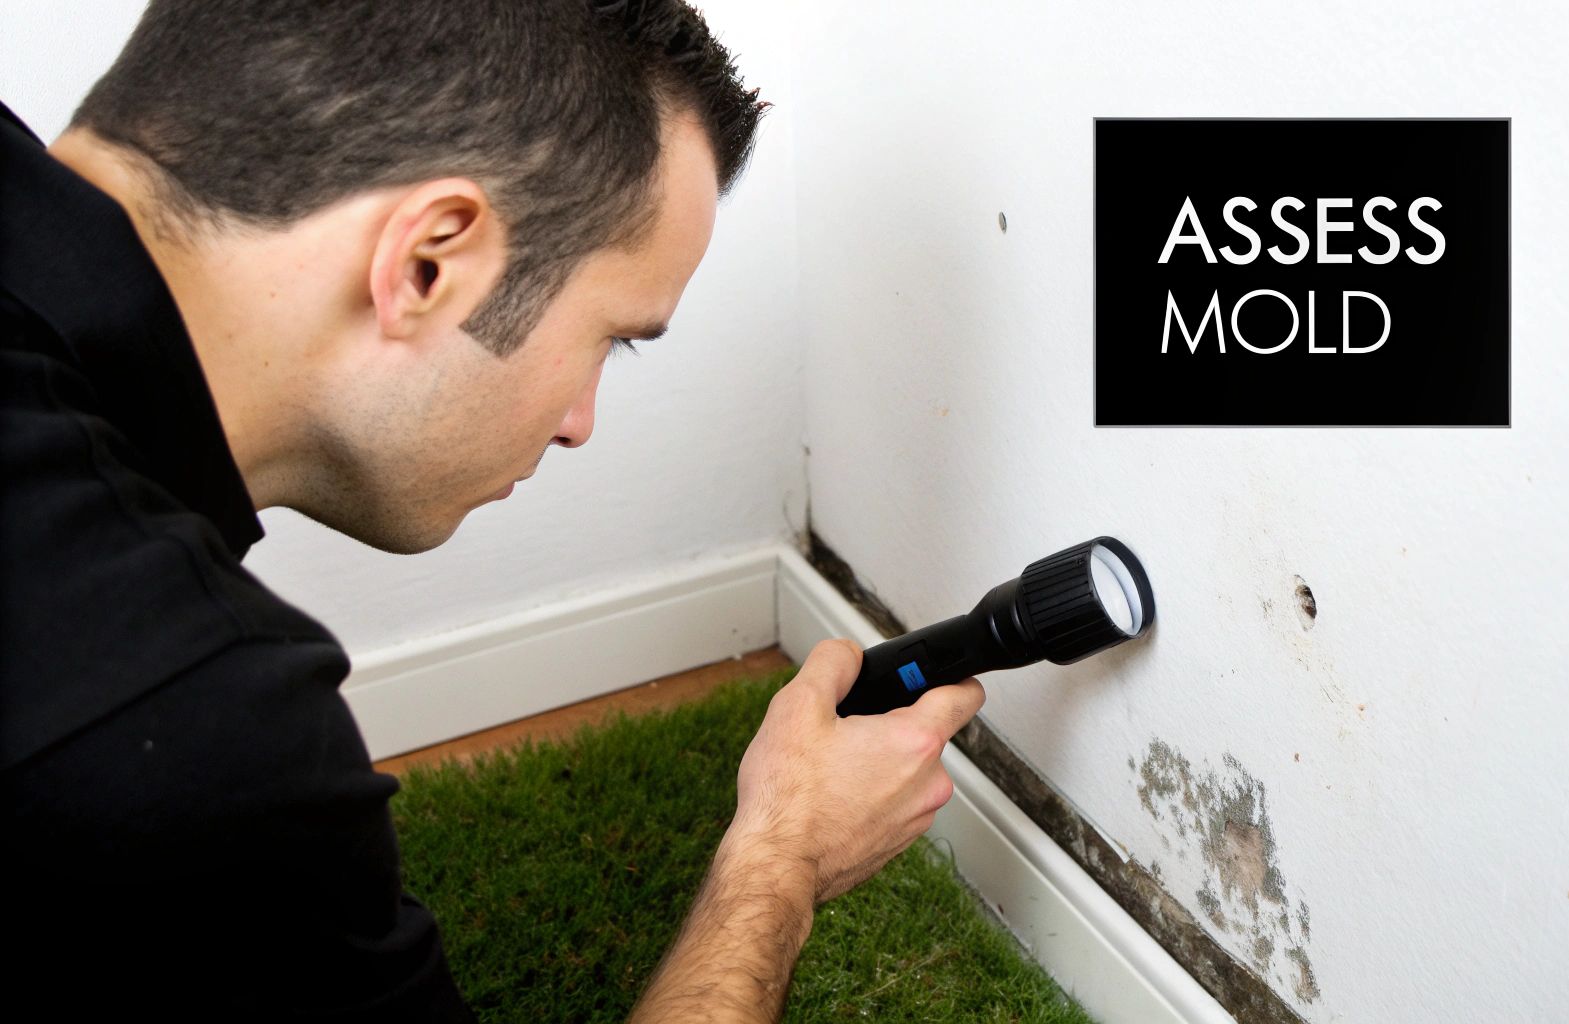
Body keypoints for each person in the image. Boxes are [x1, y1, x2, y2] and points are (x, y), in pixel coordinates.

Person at [0, 1, 986, 1020]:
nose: (578, 423)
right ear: (430, 260)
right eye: (612, 337)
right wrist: (782, 856)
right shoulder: (178, 721)